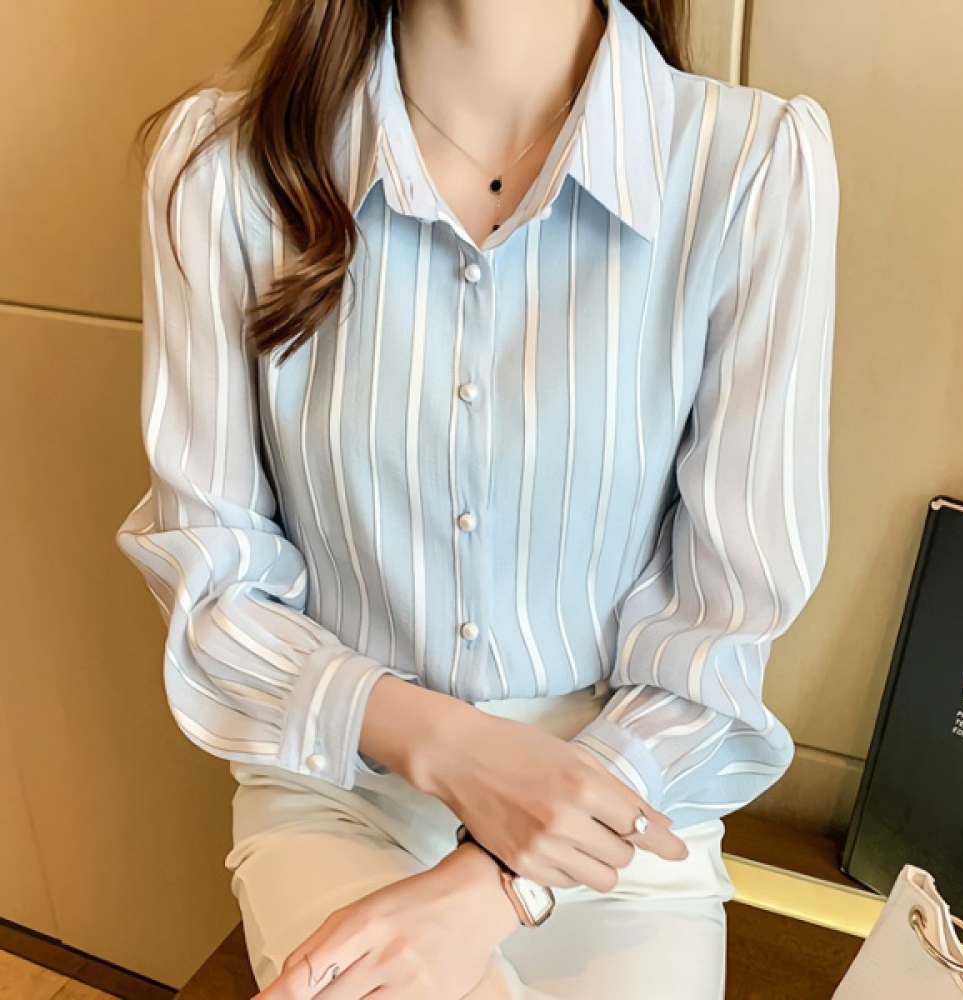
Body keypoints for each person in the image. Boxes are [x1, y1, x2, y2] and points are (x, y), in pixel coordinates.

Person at [116, 0, 840, 996]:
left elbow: (721, 627)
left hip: (620, 805)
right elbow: (215, 588)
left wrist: (501, 876)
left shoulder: (750, 167)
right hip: (342, 786)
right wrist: (450, 747)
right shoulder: (219, 171)